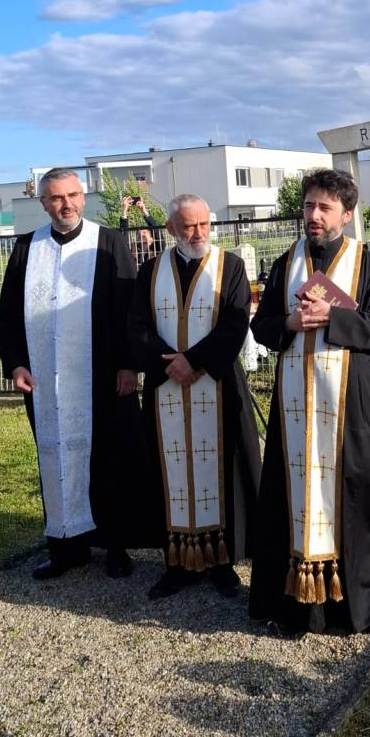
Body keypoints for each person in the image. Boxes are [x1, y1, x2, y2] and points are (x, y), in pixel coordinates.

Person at [249, 168, 370, 634]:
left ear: (347, 215)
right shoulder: (285, 263)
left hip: (348, 407)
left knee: (356, 495)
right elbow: (262, 326)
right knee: (288, 500)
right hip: (294, 408)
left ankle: (361, 607)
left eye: (325, 208)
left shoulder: (365, 265)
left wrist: (333, 317)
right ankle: (291, 608)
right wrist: (288, 324)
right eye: (309, 205)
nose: (314, 215)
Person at [0, 168, 152, 580]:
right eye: (56, 197)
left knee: (110, 459)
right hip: (44, 380)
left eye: (72, 195)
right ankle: (66, 549)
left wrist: (129, 364)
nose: (65, 204)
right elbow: (8, 313)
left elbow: (129, 309)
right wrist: (15, 363)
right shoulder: (26, 248)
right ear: (43, 203)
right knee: (55, 458)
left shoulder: (109, 241)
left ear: (82, 197)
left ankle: (116, 546)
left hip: (103, 375)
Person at [128, 193, 261, 600]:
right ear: (171, 228)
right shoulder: (151, 270)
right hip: (165, 387)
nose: (198, 233)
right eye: (188, 226)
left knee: (222, 468)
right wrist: (170, 364)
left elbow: (235, 322)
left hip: (218, 386)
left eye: (204, 224)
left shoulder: (230, 266)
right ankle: (177, 564)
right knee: (168, 474)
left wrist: (196, 362)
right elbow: (137, 326)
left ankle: (222, 561)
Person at [119, 194, 161, 262]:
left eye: (144, 232)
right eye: (138, 234)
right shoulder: (132, 254)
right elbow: (123, 237)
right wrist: (124, 211)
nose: (141, 234)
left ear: (151, 239)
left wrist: (143, 210)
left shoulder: (157, 249)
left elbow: (155, 229)